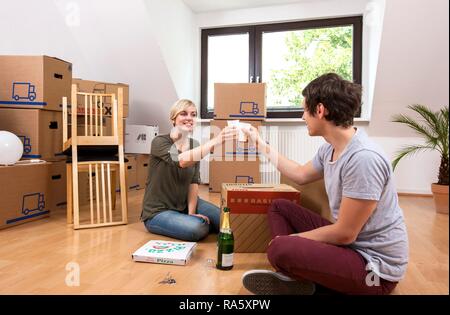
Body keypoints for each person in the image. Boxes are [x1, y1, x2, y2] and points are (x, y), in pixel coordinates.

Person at [241, 73, 409, 295]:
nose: (302, 117)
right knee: (279, 207)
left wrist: (289, 240)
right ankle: (297, 277)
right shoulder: (329, 148)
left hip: (374, 271)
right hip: (350, 246)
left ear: (320, 110)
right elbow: (300, 174)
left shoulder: (364, 159)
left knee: (280, 248)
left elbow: (345, 234)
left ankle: (304, 278)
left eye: (304, 110)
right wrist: (259, 143)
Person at [141, 99, 237, 241]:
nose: (189, 118)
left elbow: (193, 182)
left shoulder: (195, 145)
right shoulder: (160, 142)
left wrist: (191, 213)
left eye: (193, 114)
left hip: (185, 204)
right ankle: (190, 223)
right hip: (158, 212)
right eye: (183, 114)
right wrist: (216, 141)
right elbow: (182, 160)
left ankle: (188, 219)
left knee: (228, 221)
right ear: (173, 119)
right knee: (198, 228)